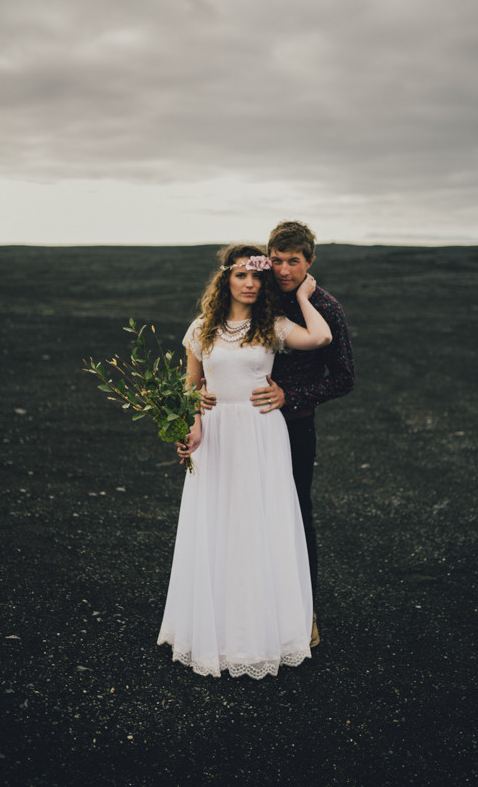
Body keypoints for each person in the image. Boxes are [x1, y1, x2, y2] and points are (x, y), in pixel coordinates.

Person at [157, 243, 332, 678]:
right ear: (226, 279)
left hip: (259, 433)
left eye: (257, 277)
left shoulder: (272, 324)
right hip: (217, 435)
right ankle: (213, 627)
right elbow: (191, 386)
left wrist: (306, 298)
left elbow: (321, 337)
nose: (251, 283)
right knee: (218, 522)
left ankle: (262, 628)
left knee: (258, 522)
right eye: (241, 276)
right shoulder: (201, 329)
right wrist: (191, 427)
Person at [201, 222, 355, 648]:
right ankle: (241, 604)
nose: (284, 270)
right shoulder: (259, 291)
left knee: (292, 515)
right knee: (239, 513)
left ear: (309, 262)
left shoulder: (324, 306)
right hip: (237, 424)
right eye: (278, 260)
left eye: (294, 262)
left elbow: (344, 378)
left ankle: (303, 613)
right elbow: (212, 357)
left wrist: (291, 395)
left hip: (292, 424)